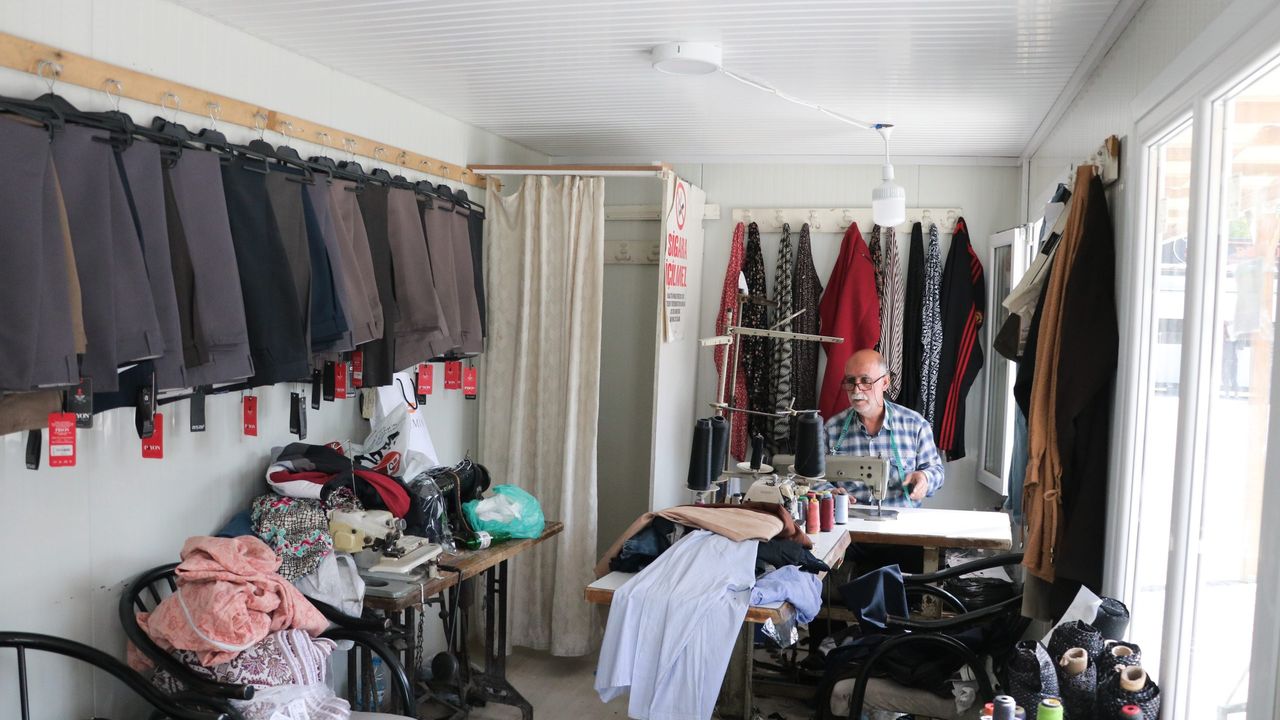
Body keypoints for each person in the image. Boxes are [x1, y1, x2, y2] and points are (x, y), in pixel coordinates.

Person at [824, 348, 946, 508]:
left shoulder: (915, 425)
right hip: (849, 518)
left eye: (866, 381)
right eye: (851, 381)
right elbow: (813, 477)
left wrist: (925, 478)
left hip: (902, 519)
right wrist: (828, 492)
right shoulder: (832, 429)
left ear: (885, 382)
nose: (856, 390)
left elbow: (936, 471)